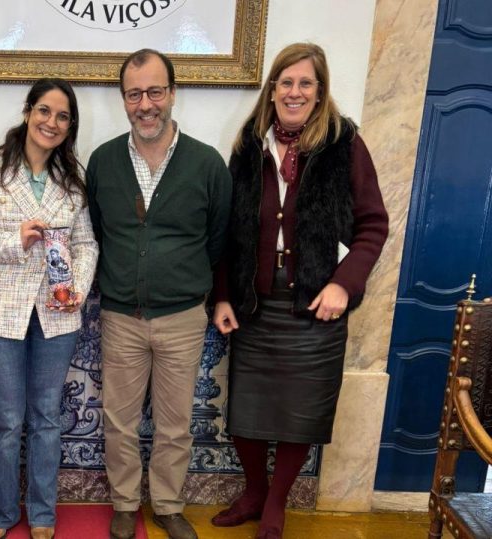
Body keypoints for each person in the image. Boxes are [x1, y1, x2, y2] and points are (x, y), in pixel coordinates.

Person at [210, 43, 388, 539]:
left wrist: (342, 284)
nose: (294, 92)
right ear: (272, 90)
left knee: (300, 413)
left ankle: (276, 504)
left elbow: (373, 225)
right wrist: (222, 294)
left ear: (320, 90)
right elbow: (227, 229)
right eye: (285, 82)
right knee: (246, 411)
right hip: (255, 302)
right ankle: (253, 492)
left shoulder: (344, 144)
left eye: (305, 83)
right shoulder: (250, 146)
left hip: (315, 305)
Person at [86, 49, 232, 539]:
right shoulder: (103, 161)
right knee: (119, 421)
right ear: (123, 99)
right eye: (134, 94)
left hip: (183, 317)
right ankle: (125, 503)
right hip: (121, 317)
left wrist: (197, 286)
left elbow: (219, 239)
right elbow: (98, 233)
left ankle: (168, 505)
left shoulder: (206, 163)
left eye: (154, 92)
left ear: (172, 93)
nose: (145, 104)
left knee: (175, 423)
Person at [0, 78, 98, 539]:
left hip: (57, 313)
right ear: (28, 111)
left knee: (47, 417)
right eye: (45, 110)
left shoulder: (72, 180)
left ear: (70, 126)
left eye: (63, 116)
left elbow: (86, 244)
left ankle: (43, 513)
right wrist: (14, 241)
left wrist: (77, 286)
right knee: (6, 420)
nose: (52, 122)